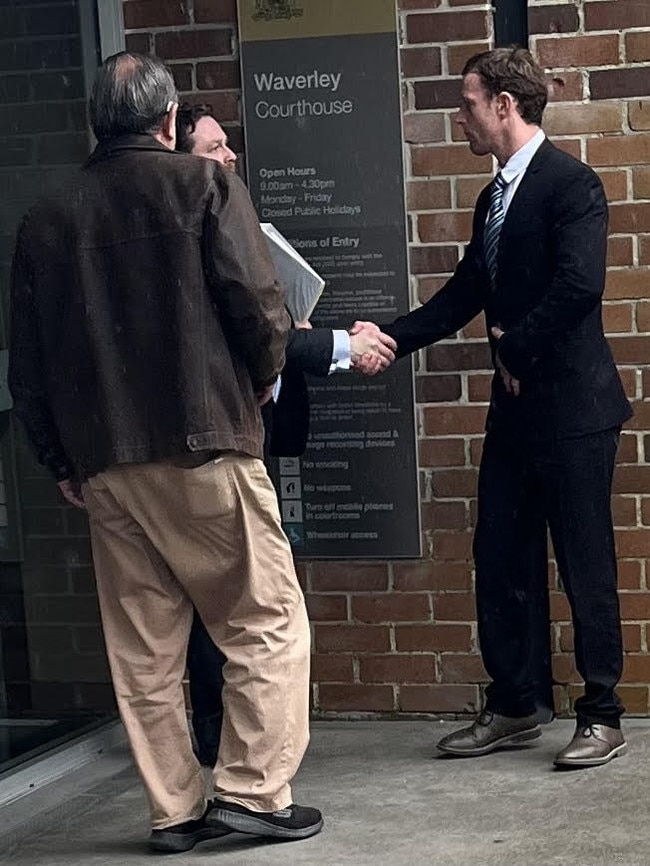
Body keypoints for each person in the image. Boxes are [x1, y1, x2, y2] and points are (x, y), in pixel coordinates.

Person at [9, 51, 325, 852]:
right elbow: (260, 307)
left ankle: (175, 811)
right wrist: (259, 383)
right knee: (265, 621)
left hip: (106, 464)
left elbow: (29, 363)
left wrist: (59, 460)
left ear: (95, 123)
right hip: (203, 440)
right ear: (170, 121)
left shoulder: (45, 218)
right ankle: (252, 794)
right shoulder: (205, 186)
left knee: (143, 649)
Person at [356, 47, 632, 768]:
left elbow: (579, 287)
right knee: (500, 556)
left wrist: (513, 350)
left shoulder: (573, 185)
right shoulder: (493, 199)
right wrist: (389, 335)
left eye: (468, 103)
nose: (460, 116)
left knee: (584, 564)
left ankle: (601, 713)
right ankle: (516, 704)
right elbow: (462, 296)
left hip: (575, 412)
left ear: (504, 106)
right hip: (515, 418)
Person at [176, 103, 397, 765]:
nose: (230, 157)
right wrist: (340, 344)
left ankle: (227, 747)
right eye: (215, 147)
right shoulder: (187, 236)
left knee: (235, 602)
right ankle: (240, 754)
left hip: (247, 433)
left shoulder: (222, 220)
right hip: (210, 448)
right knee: (250, 604)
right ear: (179, 154)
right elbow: (249, 329)